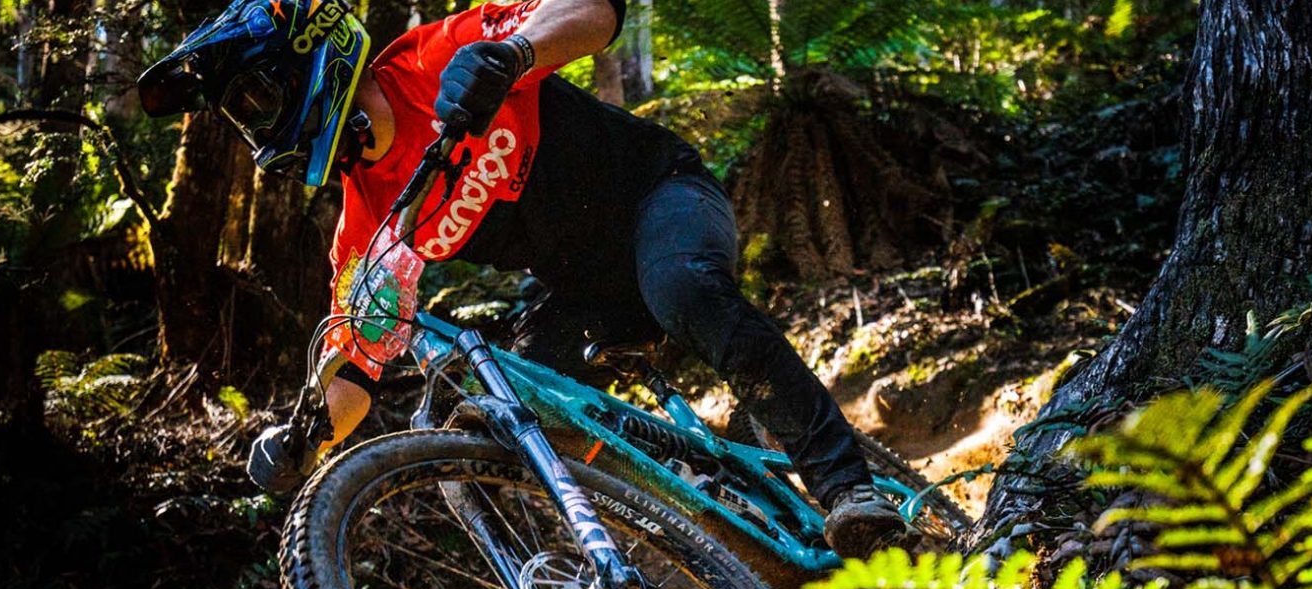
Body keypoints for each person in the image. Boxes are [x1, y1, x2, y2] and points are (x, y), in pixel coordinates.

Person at [137, 0, 910, 558]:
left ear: (310, 57)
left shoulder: (432, 57)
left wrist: (513, 53)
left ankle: (848, 486)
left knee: (682, 289)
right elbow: (358, 365)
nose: (257, 125)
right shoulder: (367, 221)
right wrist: (305, 438)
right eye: (242, 116)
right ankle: (684, 518)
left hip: (661, 196)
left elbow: (594, 12)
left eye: (256, 99)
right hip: (589, 295)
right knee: (496, 415)